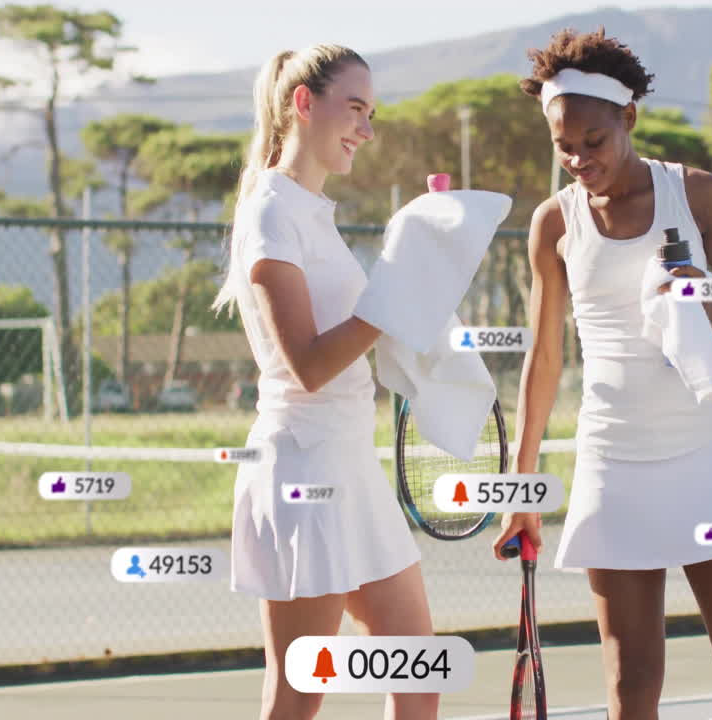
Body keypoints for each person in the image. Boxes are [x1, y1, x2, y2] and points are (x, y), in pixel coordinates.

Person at [492, 29, 712, 720]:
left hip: (705, 453)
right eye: (563, 146)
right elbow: (543, 359)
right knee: (631, 685)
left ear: (628, 119)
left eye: (593, 140)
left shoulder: (697, 192)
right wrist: (522, 487)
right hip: (613, 460)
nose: (577, 158)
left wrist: (703, 291)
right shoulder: (553, 223)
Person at [212, 46, 437, 720]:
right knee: (298, 692)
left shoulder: (309, 213)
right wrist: (393, 296)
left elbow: (363, 332)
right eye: (355, 109)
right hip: (304, 468)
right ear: (303, 104)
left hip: (347, 464)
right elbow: (308, 364)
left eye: (371, 114)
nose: (367, 130)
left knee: (416, 668)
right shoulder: (271, 213)